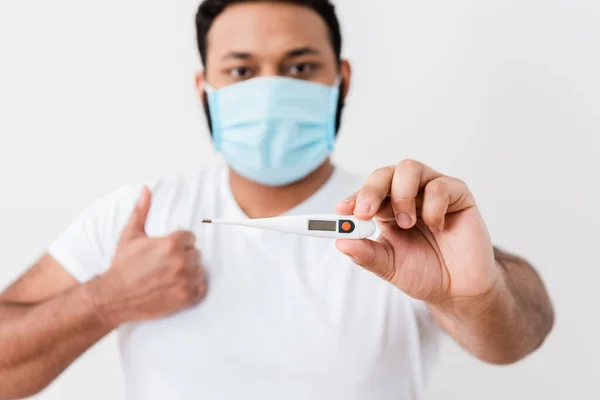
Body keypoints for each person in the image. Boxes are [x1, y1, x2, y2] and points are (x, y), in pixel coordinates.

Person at [0, 1, 555, 399]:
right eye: (241, 70)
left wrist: (476, 292)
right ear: (205, 90)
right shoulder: (136, 220)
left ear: (340, 80)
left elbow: (519, 337)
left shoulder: (397, 222)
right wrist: (105, 300)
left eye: (299, 67)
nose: (269, 90)